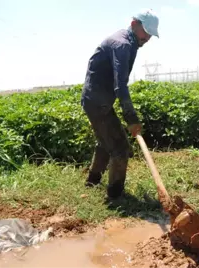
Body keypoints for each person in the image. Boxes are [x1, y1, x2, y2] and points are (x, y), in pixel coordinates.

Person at [80, 9, 160, 199]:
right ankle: (115, 196)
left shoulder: (130, 42)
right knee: (121, 148)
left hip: (97, 100)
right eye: (145, 32)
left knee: (105, 141)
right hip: (98, 102)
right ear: (134, 25)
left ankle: (92, 182)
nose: (147, 38)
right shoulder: (123, 45)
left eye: (150, 34)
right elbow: (120, 86)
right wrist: (131, 118)